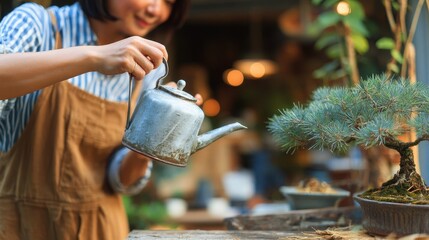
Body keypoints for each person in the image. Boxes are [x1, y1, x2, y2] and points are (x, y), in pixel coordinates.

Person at [0, 0, 193, 239]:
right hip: (23, 227)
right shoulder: (39, 25)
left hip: (103, 230)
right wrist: (93, 56)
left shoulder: (149, 69)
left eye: (169, 3)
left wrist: (147, 144)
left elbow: (120, 181)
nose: (155, 10)